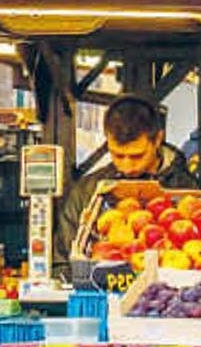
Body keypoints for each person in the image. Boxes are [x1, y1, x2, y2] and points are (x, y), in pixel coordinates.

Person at [55, 94, 193, 273]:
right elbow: (62, 263)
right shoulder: (88, 191)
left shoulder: (186, 192)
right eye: (117, 155)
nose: (127, 167)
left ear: (158, 140)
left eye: (137, 156)